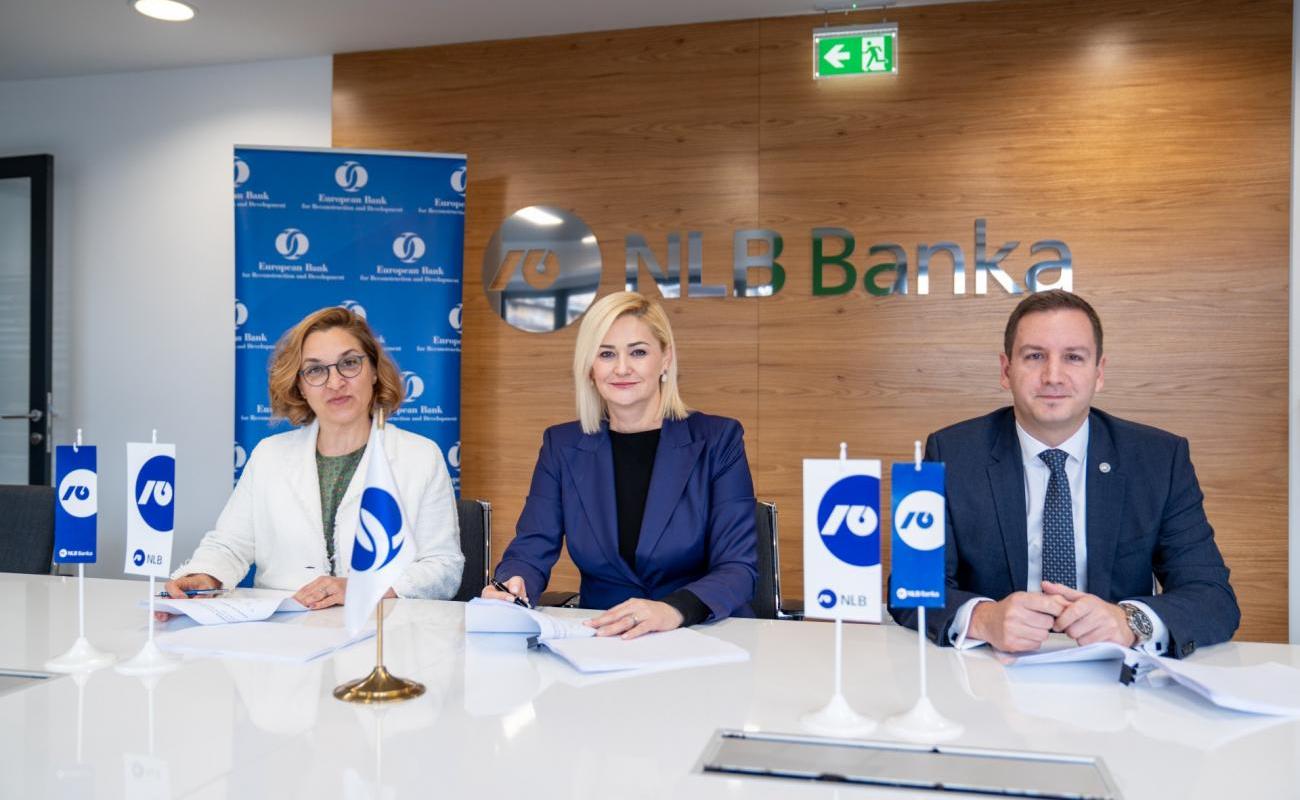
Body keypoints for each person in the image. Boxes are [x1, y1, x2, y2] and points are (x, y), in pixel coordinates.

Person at [890, 290, 1239, 657]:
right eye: (1034, 356)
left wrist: (1130, 621)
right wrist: (983, 618)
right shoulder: (951, 453)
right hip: (990, 671)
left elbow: (1213, 597)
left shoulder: (1158, 459)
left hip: (1113, 674)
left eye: (1073, 357)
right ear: (1006, 371)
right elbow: (910, 590)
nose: (1053, 376)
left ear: (1099, 373)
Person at [483, 291, 758, 639]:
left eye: (638, 352)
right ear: (590, 367)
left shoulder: (718, 439)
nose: (622, 368)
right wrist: (514, 583)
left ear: (666, 359)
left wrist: (673, 609)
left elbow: (738, 567)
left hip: (700, 634)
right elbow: (531, 547)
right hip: (604, 637)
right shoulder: (562, 445)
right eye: (606, 354)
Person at [163, 306, 463, 612]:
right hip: (285, 631)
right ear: (300, 387)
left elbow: (444, 567)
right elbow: (230, 545)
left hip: (381, 629)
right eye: (316, 370)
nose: (335, 383)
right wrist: (205, 576)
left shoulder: (420, 457)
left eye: (349, 363)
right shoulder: (269, 455)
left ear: (374, 371)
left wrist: (363, 588)